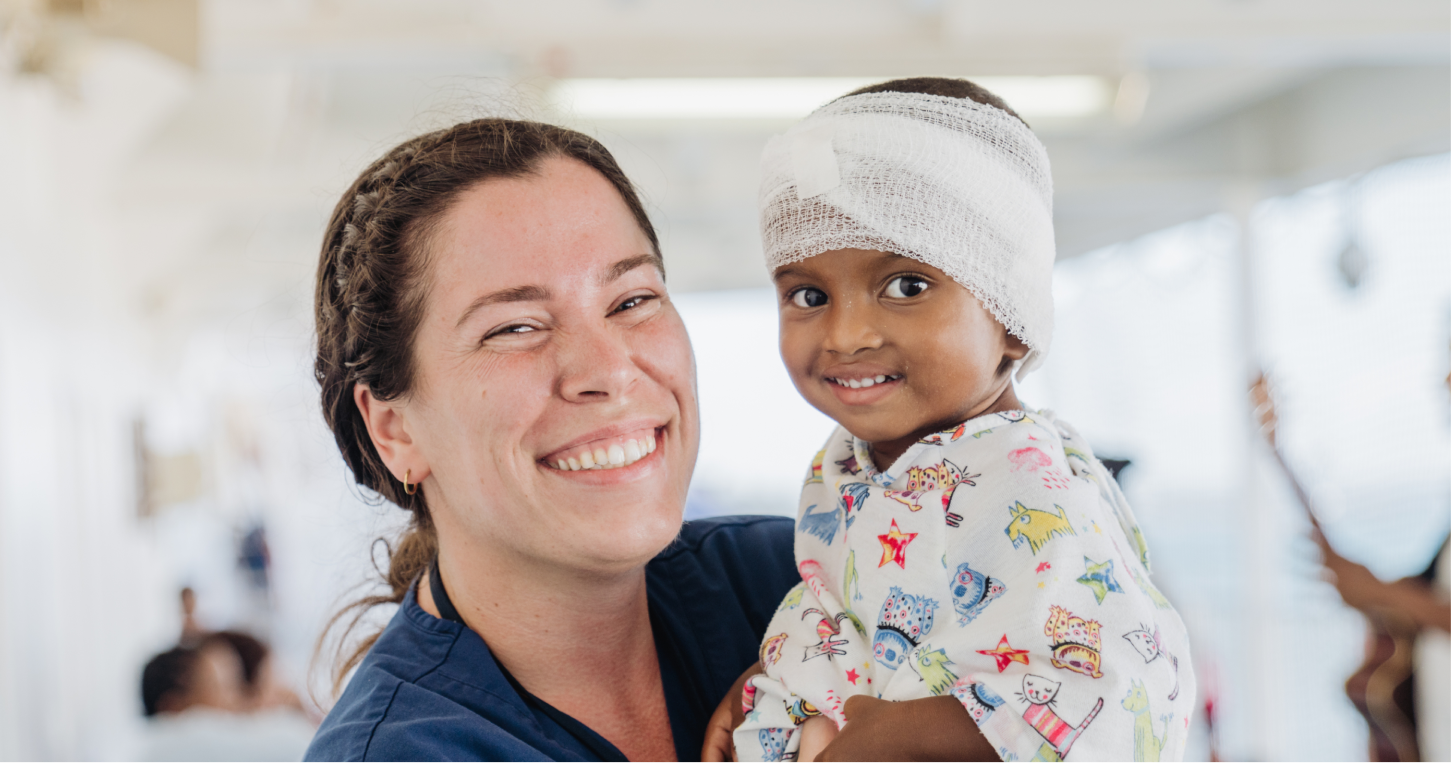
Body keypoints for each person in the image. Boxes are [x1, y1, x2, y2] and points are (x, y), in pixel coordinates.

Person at [726, 78, 1197, 763]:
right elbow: (857, 619)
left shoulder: (1028, 484)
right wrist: (776, 684)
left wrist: (902, 732)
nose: (845, 334)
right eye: (808, 295)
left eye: (906, 286)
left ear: (1013, 317)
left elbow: (1121, 702)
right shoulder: (846, 463)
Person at [137, 636, 316, 763]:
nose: (239, 700)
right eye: (221, 688)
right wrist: (295, 711)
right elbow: (296, 743)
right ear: (174, 707)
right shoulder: (173, 741)